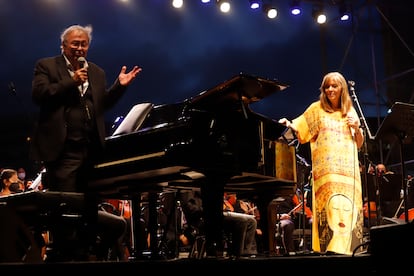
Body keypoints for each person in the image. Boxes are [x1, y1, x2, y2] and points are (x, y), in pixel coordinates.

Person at [30, 24, 142, 261]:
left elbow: (102, 106)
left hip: (91, 150)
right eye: (75, 43)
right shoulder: (47, 65)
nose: (79, 48)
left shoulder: (97, 72)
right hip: (63, 151)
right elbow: (40, 95)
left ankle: (85, 253)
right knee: (65, 207)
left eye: (84, 44)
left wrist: (119, 88)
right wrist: (71, 81)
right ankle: (63, 254)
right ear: (64, 45)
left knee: (89, 208)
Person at [278, 71, 365, 255]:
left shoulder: (349, 111)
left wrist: (357, 128)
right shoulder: (316, 109)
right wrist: (287, 124)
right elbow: (299, 127)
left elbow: (359, 143)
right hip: (327, 176)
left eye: (334, 85)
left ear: (342, 88)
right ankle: (331, 251)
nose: (330, 89)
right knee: (331, 211)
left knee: (348, 210)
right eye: (327, 86)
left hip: (349, 174)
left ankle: (351, 250)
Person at [222, 192, 258, 258]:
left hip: (229, 215)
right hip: (222, 217)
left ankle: (247, 251)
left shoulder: (226, 201)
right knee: (243, 220)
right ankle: (238, 252)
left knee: (252, 221)